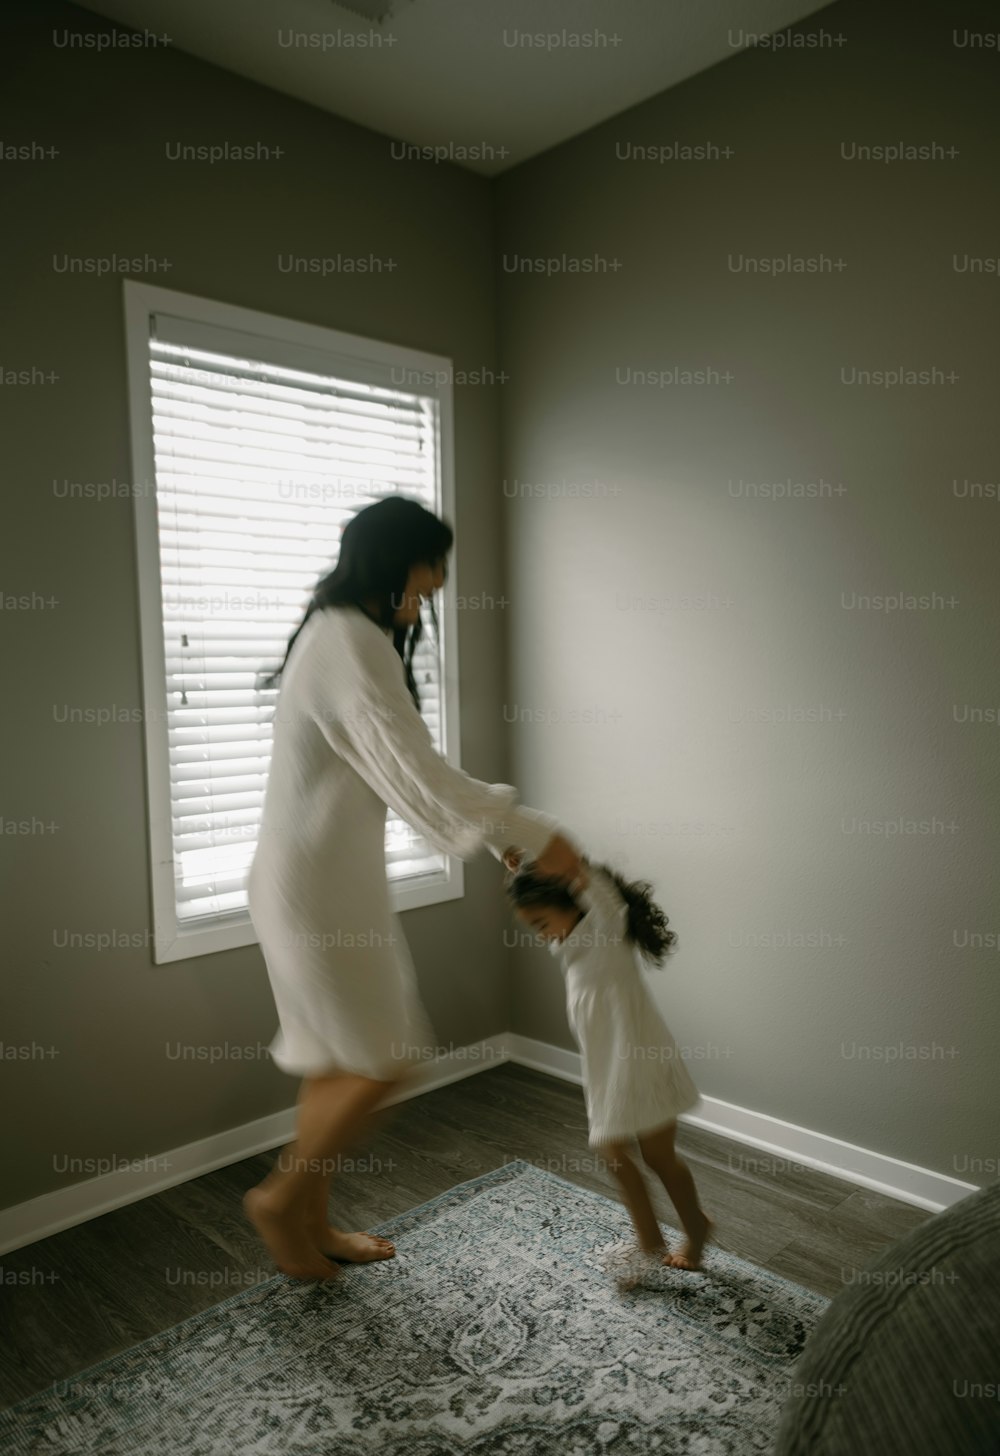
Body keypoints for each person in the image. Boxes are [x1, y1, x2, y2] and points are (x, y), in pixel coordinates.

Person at [244, 496, 583, 1281]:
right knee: (384, 1057)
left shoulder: (341, 634)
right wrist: (532, 831)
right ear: (396, 559)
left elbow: (393, 774)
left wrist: (498, 837)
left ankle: (315, 1222)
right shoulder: (348, 641)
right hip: (315, 890)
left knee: (339, 1058)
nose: (433, 589)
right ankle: (277, 1200)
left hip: (321, 882)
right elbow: (417, 771)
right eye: (430, 574)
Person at [502, 848, 713, 1286]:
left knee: (653, 1156)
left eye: (542, 924)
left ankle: (687, 1233)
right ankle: (656, 1239)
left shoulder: (605, 926)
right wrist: (516, 858)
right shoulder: (570, 943)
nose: (542, 937)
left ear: (574, 900)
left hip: (640, 1062)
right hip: (607, 1069)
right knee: (619, 1152)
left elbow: (592, 885)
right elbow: (545, 884)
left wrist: (568, 864)